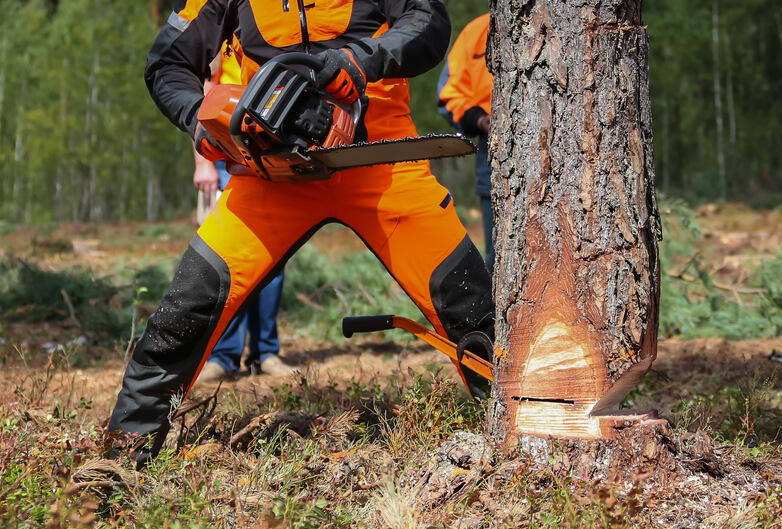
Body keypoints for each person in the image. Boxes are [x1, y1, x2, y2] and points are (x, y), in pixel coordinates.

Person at [108, 0, 494, 466]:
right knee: (184, 313)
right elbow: (168, 63)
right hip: (270, 170)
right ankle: (120, 461)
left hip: (379, 157)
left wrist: (360, 60)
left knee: (468, 302)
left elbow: (428, 21)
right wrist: (199, 119)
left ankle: (532, 435)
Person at [192, 50, 293, 383]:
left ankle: (266, 352)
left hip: (274, 148)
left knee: (273, 256)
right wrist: (204, 163)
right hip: (228, 152)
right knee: (231, 256)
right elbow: (205, 96)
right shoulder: (223, 18)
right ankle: (224, 355)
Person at [437, 13, 494, 269]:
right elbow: (450, 94)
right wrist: (481, 120)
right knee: (500, 257)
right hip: (495, 151)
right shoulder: (477, 32)